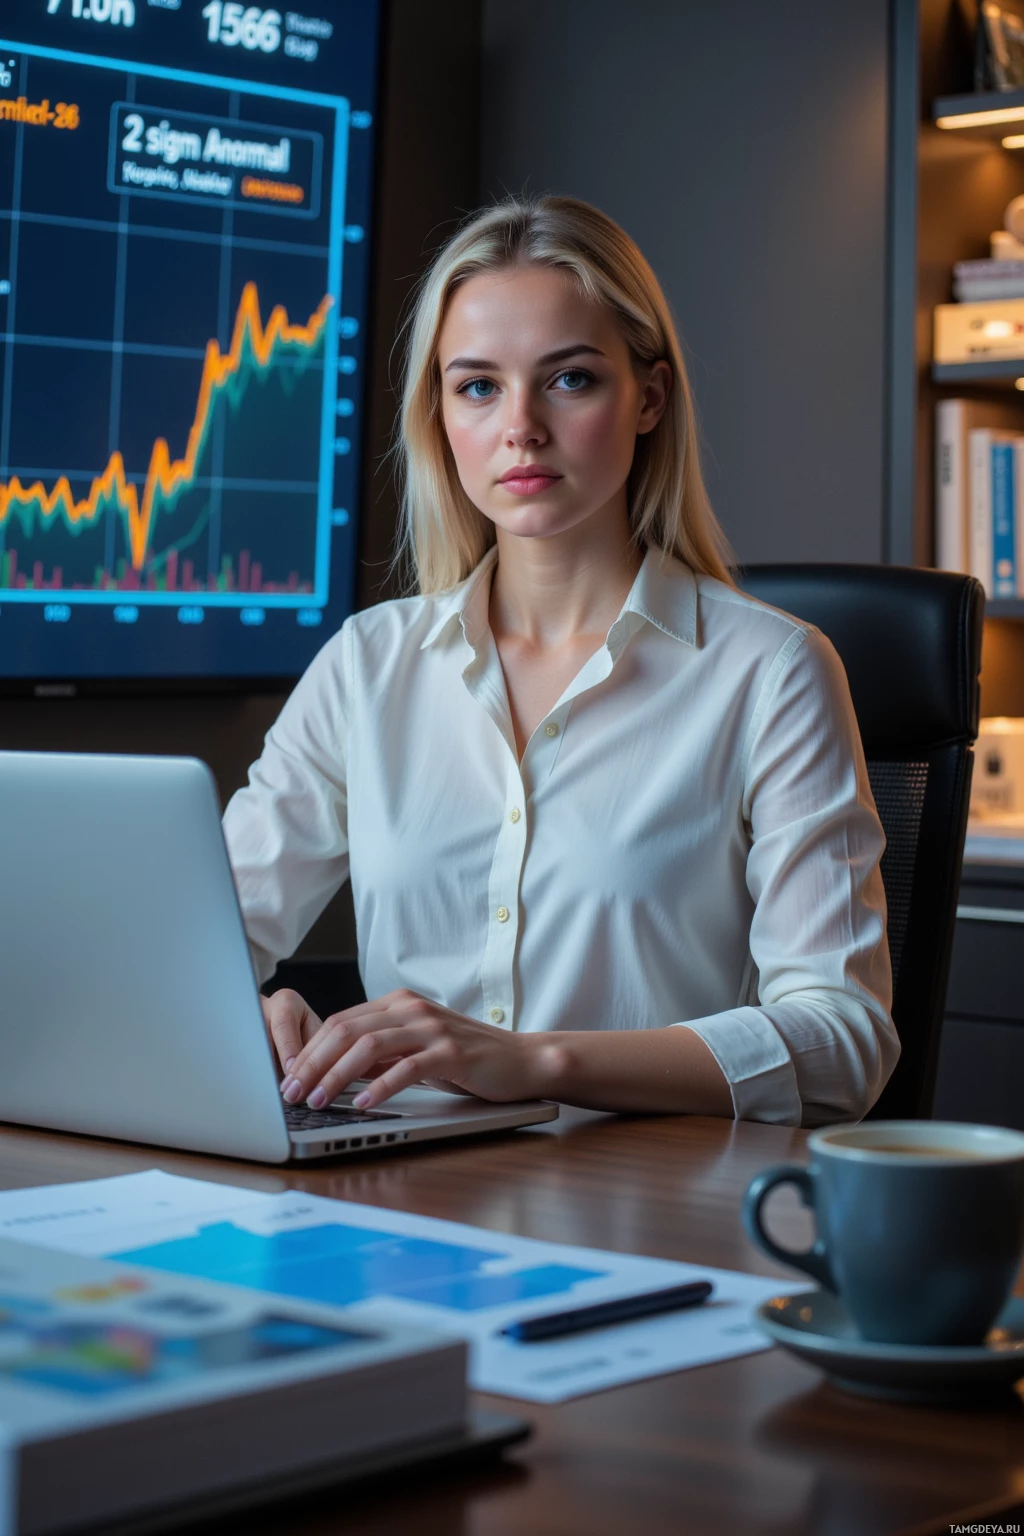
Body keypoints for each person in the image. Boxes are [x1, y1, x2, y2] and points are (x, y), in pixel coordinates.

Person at [223, 194, 898, 1128]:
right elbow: (199, 945)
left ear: (649, 396)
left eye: (570, 380)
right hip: (409, 1201)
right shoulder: (367, 666)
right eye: (478, 386)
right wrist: (237, 1015)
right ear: (440, 414)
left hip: (651, 1211)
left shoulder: (771, 672)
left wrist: (531, 1061)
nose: (521, 428)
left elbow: (843, 1038)